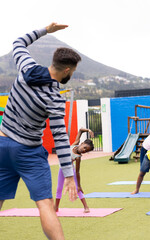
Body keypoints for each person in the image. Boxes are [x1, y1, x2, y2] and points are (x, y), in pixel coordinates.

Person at [0, 23, 80, 240]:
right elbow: (60, 139)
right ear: (66, 70)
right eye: (72, 72)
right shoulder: (55, 98)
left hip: (2, 145)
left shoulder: (26, 67)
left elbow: (18, 42)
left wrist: (45, 30)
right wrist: (69, 175)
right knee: (45, 204)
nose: (71, 74)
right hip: (27, 152)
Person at [55, 128, 94, 213]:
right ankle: (56, 207)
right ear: (82, 143)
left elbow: (77, 172)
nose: (84, 150)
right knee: (59, 188)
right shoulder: (75, 144)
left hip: (70, 171)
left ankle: (86, 207)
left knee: (77, 188)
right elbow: (80, 130)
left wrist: (79, 185)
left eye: (86, 151)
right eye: (84, 148)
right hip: (62, 168)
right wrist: (88, 130)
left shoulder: (78, 157)